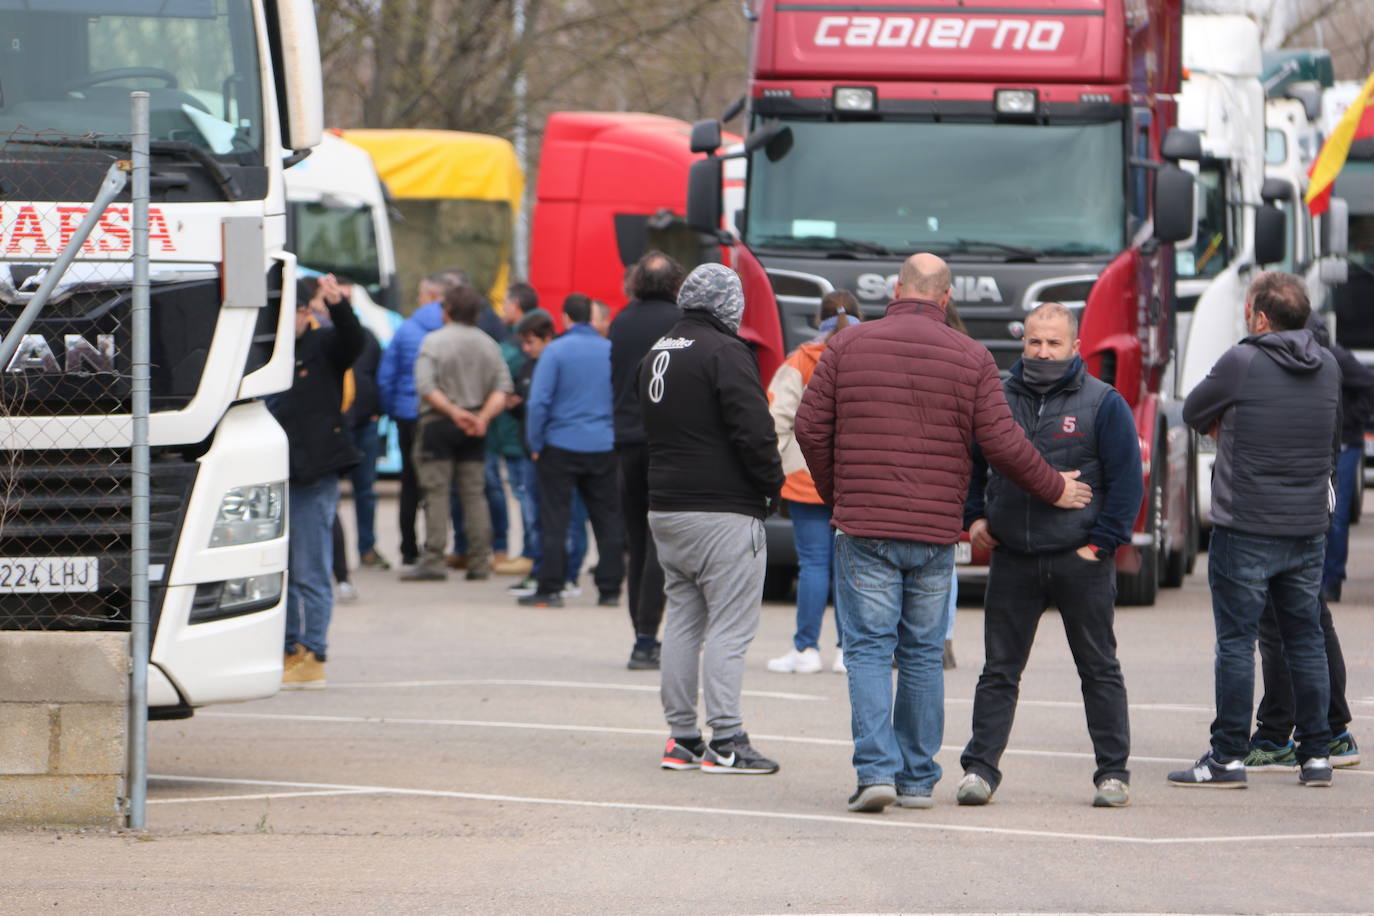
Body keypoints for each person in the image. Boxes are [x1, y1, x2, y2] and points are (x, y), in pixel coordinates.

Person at [794, 253, 1092, 813]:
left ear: (896, 291)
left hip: (864, 527)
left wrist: (840, 493)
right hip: (934, 532)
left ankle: (875, 772)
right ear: (946, 298)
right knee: (924, 653)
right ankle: (914, 780)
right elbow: (1003, 444)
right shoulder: (972, 357)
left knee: (866, 650)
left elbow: (809, 426)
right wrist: (1053, 486)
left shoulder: (846, 347)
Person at [957, 303, 1142, 809]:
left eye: (1054, 343)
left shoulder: (1105, 403)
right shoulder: (994, 396)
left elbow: (1127, 483)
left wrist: (1099, 545)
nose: (1043, 351)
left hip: (1079, 560)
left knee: (1099, 669)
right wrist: (973, 518)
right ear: (1024, 342)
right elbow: (972, 464)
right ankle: (979, 770)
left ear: (1075, 347)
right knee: (999, 671)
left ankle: (1112, 774)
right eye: (1035, 342)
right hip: (1013, 558)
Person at [1170, 271, 1340, 790]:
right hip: (1307, 526)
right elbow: (1330, 440)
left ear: (1260, 318)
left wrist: (1229, 421)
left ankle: (1226, 757)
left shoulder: (1243, 360)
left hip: (1245, 524)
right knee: (1305, 639)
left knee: (1236, 642)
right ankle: (1315, 755)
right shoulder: (1329, 366)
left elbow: (1194, 410)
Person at [644, 263, 786, 775]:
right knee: (730, 627)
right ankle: (727, 739)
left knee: (682, 621)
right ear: (731, 305)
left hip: (667, 507)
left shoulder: (660, 350)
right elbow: (754, 431)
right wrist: (772, 484)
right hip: (722, 509)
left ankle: (682, 738)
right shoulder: (726, 352)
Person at [1242, 314, 1366, 772]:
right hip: (1306, 505)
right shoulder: (1322, 368)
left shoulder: (1310, 368)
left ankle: (1280, 733)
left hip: (1290, 512)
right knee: (1311, 622)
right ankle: (1332, 730)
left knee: (1283, 627)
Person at [268, 274, 365, 689]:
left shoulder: (325, 346)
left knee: (310, 570)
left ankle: (314, 653)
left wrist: (339, 303)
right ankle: (289, 648)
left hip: (313, 474)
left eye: (291, 310)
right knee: (281, 570)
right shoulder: (267, 353)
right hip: (273, 474)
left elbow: (353, 338)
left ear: (307, 312)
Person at [765, 289, 861, 675]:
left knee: (813, 565)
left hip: (806, 479)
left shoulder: (800, 360)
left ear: (817, 320)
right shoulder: (868, 355)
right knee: (849, 569)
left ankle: (805, 649)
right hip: (855, 480)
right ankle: (846, 650)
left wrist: (789, 462)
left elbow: (775, 419)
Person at [519, 293, 624, 608]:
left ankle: (551, 587)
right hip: (603, 444)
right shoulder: (610, 350)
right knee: (607, 518)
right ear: (592, 318)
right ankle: (610, 589)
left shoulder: (555, 352)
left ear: (564, 318)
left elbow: (538, 402)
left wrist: (535, 443)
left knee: (555, 518)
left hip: (561, 444)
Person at [402, 284, 512, 582]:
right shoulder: (489, 344)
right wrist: (481, 418)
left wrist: (453, 412)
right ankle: (479, 561)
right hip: (475, 425)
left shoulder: (433, 342)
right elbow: (503, 387)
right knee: (474, 495)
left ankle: (434, 559)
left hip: (438, 424)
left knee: (436, 493)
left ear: (447, 310)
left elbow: (426, 386)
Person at [608, 251, 684, 670]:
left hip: (626, 442)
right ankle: (648, 637)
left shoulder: (621, 320)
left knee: (637, 540)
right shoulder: (681, 322)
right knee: (661, 540)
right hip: (665, 443)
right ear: (677, 283)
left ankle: (640, 634)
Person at [377, 271, 463, 567]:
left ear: (429, 296)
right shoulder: (452, 329)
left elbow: (386, 377)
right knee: (437, 483)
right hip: (440, 414)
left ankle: (408, 549)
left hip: (407, 415)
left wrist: (393, 411)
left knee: (410, 484)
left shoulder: (406, 329)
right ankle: (435, 545)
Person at [505, 310, 591, 599]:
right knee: (535, 517)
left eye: (532, 343)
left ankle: (569, 573)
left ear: (547, 338)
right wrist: (514, 404)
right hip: (532, 450)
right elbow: (529, 406)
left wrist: (540, 443)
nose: (527, 350)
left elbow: (548, 405)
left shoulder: (559, 360)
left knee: (570, 516)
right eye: (524, 344)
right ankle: (540, 569)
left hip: (556, 450)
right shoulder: (528, 367)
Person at [347, 322, 388, 570]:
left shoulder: (366, 336)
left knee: (366, 491)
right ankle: (330, 555)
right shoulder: (322, 338)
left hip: (365, 425)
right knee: (325, 495)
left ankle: (367, 548)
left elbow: (381, 374)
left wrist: (378, 410)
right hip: (336, 428)